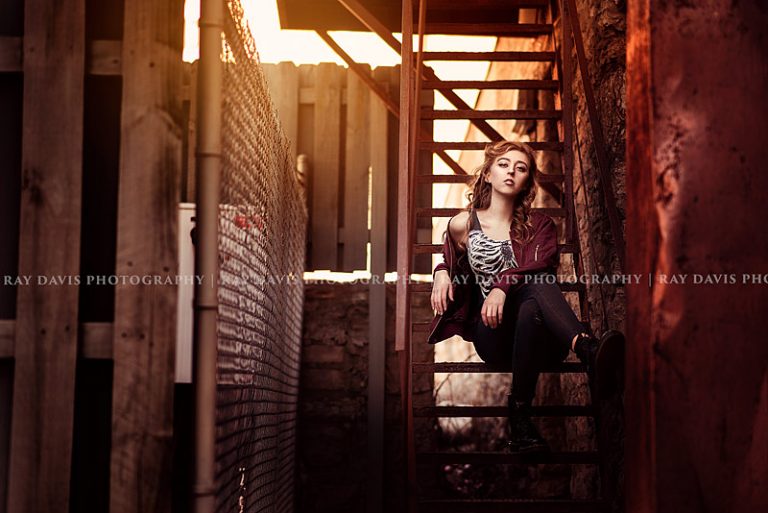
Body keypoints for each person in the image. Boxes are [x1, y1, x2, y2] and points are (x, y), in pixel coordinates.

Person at [427, 140, 624, 453]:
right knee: (533, 288)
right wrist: (440, 271)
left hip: (543, 338)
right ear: (488, 174)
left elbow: (541, 264)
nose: (511, 172)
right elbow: (449, 258)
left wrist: (501, 287)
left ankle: (523, 416)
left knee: (534, 291)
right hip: (493, 335)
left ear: (526, 181)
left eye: (520, 169)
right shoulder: (463, 224)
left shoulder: (541, 225)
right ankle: (587, 350)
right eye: (504, 165)